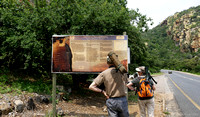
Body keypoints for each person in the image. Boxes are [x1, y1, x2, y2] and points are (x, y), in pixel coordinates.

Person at [89, 53, 129, 117]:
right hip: (122, 100)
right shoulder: (123, 72)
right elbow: (126, 83)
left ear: (107, 63)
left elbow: (91, 86)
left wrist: (103, 91)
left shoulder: (104, 73)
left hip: (111, 101)